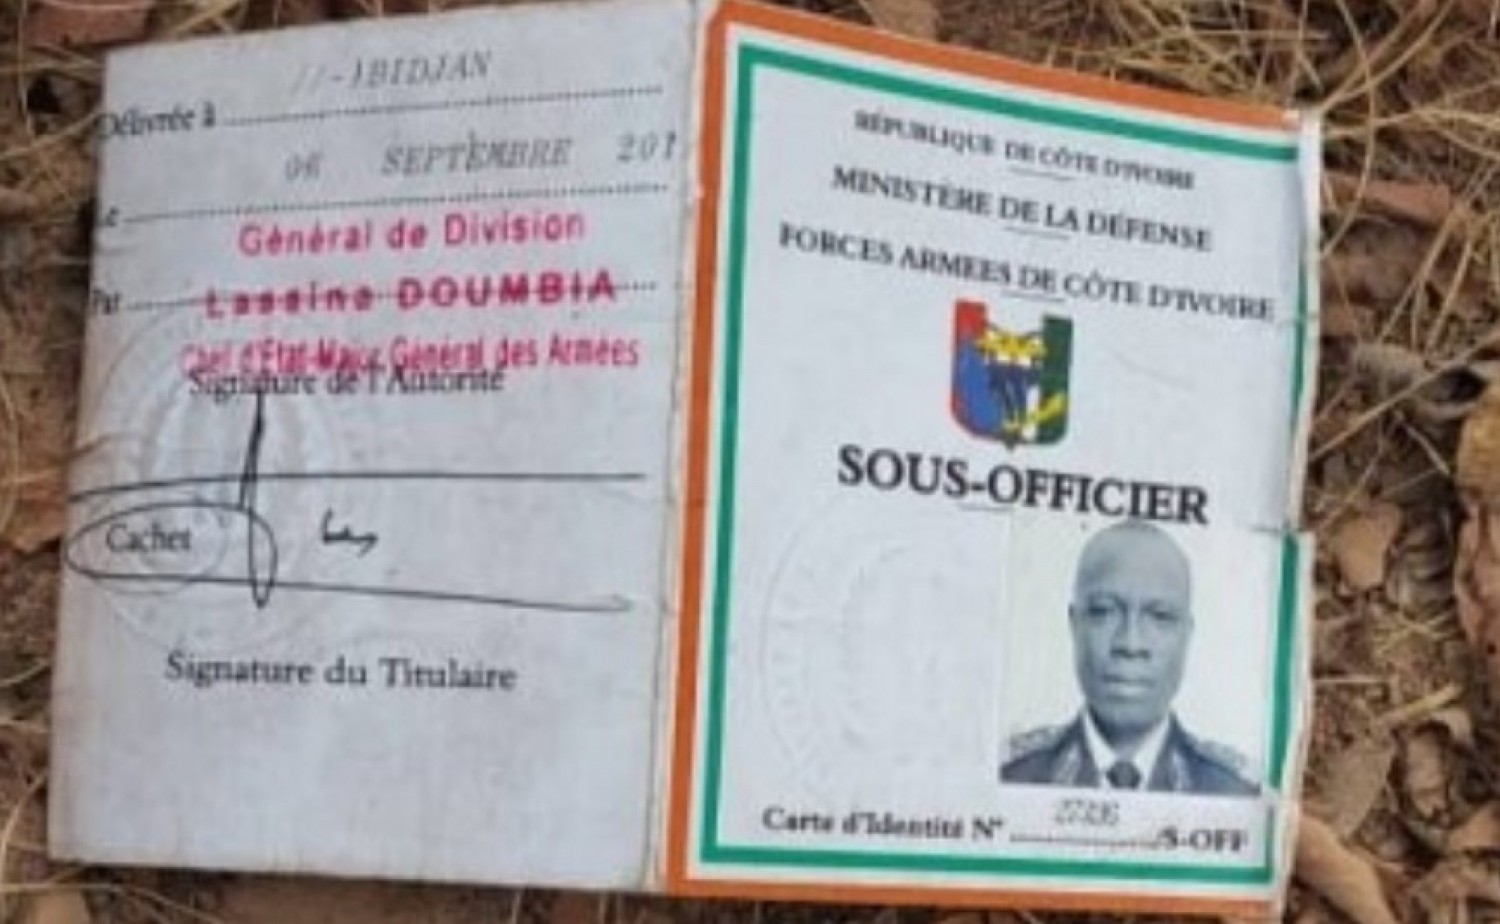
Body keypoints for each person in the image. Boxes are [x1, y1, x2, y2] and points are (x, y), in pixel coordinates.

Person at [1001, 520, 1257, 796]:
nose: (1130, 644)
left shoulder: (1234, 790)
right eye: (1104, 611)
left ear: (1187, 634)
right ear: (1074, 625)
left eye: (1160, 616)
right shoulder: (1012, 776)